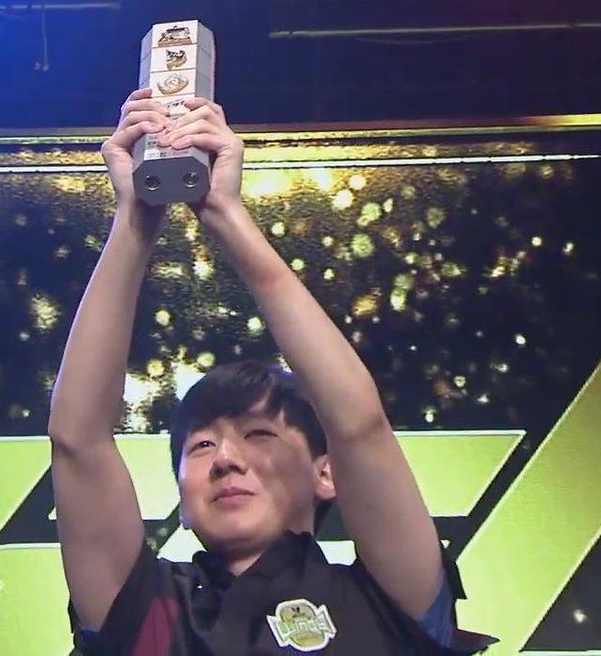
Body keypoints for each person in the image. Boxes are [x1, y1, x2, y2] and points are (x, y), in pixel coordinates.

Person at [47, 88, 497, 655]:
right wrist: (135, 215)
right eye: (201, 446)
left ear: (326, 473)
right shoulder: (147, 611)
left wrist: (225, 213)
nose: (226, 460)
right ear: (181, 499)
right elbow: (77, 440)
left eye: (259, 434)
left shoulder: (386, 601)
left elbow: (359, 424)